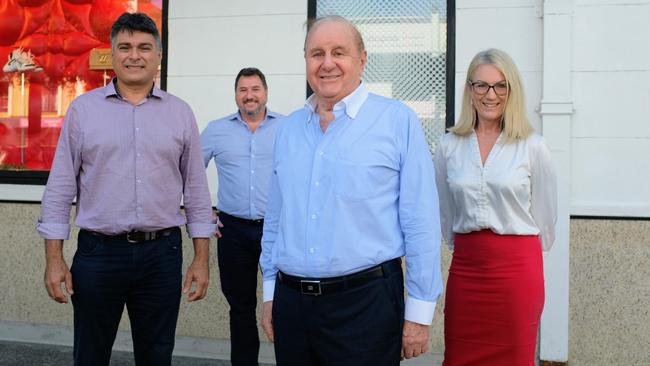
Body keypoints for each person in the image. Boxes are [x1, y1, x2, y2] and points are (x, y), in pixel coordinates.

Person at [259, 15, 443, 366]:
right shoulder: (288, 129)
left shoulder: (396, 121)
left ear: (362, 58)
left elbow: (420, 221)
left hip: (366, 307)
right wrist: (270, 293)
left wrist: (419, 313)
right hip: (292, 304)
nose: (327, 63)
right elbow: (277, 219)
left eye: (338, 52)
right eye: (317, 53)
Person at [36, 12, 214, 366]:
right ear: (113, 55)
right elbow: (59, 188)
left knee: (156, 355)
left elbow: (196, 189)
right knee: (90, 354)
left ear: (158, 56)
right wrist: (53, 260)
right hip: (98, 255)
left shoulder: (180, 113)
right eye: (126, 47)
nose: (135, 55)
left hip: (161, 256)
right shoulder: (83, 111)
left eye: (145, 47)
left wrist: (201, 259)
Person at [434, 48, 557, 366]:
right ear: (469, 90)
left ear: (511, 91)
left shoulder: (533, 146)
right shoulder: (448, 146)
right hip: (467, 271)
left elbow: (545, 217)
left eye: (500, 86)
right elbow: (445, 213)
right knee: (459, 357)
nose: (491, 95)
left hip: (517, 274)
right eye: (482, 85)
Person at [200, 67, 283, 366]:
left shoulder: (287, 128)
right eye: (243, 90)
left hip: (278, 230)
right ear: (236, 95)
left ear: (266, 93)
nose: (249, 95)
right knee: (241, 307)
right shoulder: (216, 130)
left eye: (255, 89)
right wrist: (203, 212)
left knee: (285, 304)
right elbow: (190, 174)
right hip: (232, 231)